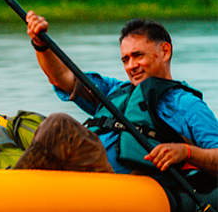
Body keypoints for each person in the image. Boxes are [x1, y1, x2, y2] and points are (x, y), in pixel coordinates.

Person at [13, 11, 218, 176]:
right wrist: (41, 45)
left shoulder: (187, 105)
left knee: (58, 124)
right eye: (125, 59)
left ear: (165, 51)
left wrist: (186, 152)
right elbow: (62, 78)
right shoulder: (112, 90)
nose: (131, 66)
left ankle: (14, 191)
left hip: (117, 181)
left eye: (138, 56)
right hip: (79, 167)